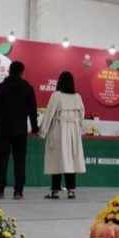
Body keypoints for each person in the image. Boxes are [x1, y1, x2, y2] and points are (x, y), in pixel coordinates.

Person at [0, 61, 39, 200]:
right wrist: (34, 128)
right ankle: (18, 192)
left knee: (2, 161)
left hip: (2, 131)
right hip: (20, 131)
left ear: (9, 70)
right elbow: (32, 110)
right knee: (20, 162)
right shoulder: (28, 88)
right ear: (22, 72)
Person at [40, 71, 86, 199]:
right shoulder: (77, 97)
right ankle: (71, 190)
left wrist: (42, 131)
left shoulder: (56, 95)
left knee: (56, 159)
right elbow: (82, 115)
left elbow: (49, 114)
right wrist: (79, 129)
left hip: (59, 130)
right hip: (74, 131)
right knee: (71, 160)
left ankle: (55, 191)